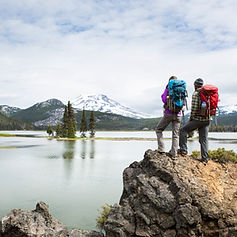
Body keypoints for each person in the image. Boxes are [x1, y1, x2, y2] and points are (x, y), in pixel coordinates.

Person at [178, 78, 210, 164]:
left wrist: (191, 118)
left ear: (195, 85)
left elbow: (194, 108)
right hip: (207, 120)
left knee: (182, 130)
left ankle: (183, 151)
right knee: (204, 139)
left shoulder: (196, 93)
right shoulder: (208, 93)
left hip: (198, 119)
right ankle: (205, 158)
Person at [155, 76, 182, 157]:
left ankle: (161, 149)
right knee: (176, 134)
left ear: (169, 81)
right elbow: (183, 103)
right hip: (178, 114)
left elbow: (164, 99)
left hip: (168, 113)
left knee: (159, 129)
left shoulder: (168, 88)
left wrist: (164, 95)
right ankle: (174, 153)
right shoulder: (181, 89)